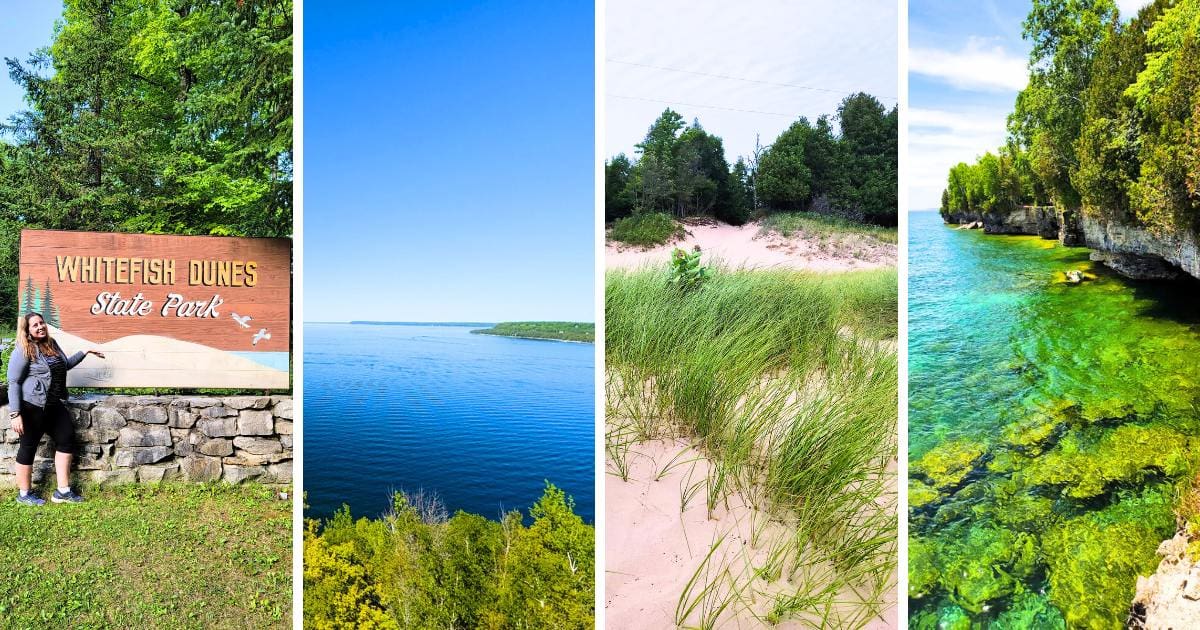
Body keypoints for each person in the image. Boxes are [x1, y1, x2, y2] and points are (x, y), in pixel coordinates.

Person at [8, 312, 104, 505]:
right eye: (35, 325)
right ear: (27, 330)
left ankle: (63, 491)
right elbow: (14, 381)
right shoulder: (24, 349)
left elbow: (64, 365)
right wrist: (15, 413)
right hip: (32, 406)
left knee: (66, 439)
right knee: (28, 447)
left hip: (53, 404)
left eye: (41, 323)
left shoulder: (51, 343)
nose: (40, 327)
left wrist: (84, 351)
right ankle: (24, 494)